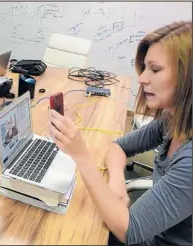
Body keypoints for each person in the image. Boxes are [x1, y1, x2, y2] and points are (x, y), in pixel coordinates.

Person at [49, 21, 191, 245]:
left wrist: (82, 156)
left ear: (187, 76)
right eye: (144, 68)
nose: (142, 78)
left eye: (155, 69)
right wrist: (116, 181)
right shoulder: (171, 120)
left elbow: (129, 230)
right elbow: (119, 146)